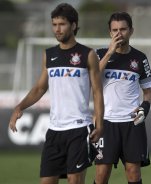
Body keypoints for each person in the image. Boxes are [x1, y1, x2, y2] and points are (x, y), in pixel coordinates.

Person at [9, 3, 104, 184]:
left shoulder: (87, 54)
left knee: (74, 180)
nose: (57, 29)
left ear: (73, 25)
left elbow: (98, 92)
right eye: (54, 24)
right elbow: (39, 88)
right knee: (46, 181)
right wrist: (19, 107)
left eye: (62, 24)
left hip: (79, 128)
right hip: (54, 131)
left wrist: (100, 124)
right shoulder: (49, 54)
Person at [94, 12, 151, 184]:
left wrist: (144, 109)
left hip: (132, 123)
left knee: (133, 172)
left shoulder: (140, 59)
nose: (118, 33)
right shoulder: (99, 55)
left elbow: (148, 94)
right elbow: (92, 80)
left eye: (123, 29)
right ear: (109, 33)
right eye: (115, 30)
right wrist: (110, 53)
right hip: (106, 122)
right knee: (101, 173)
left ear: (131, 31)